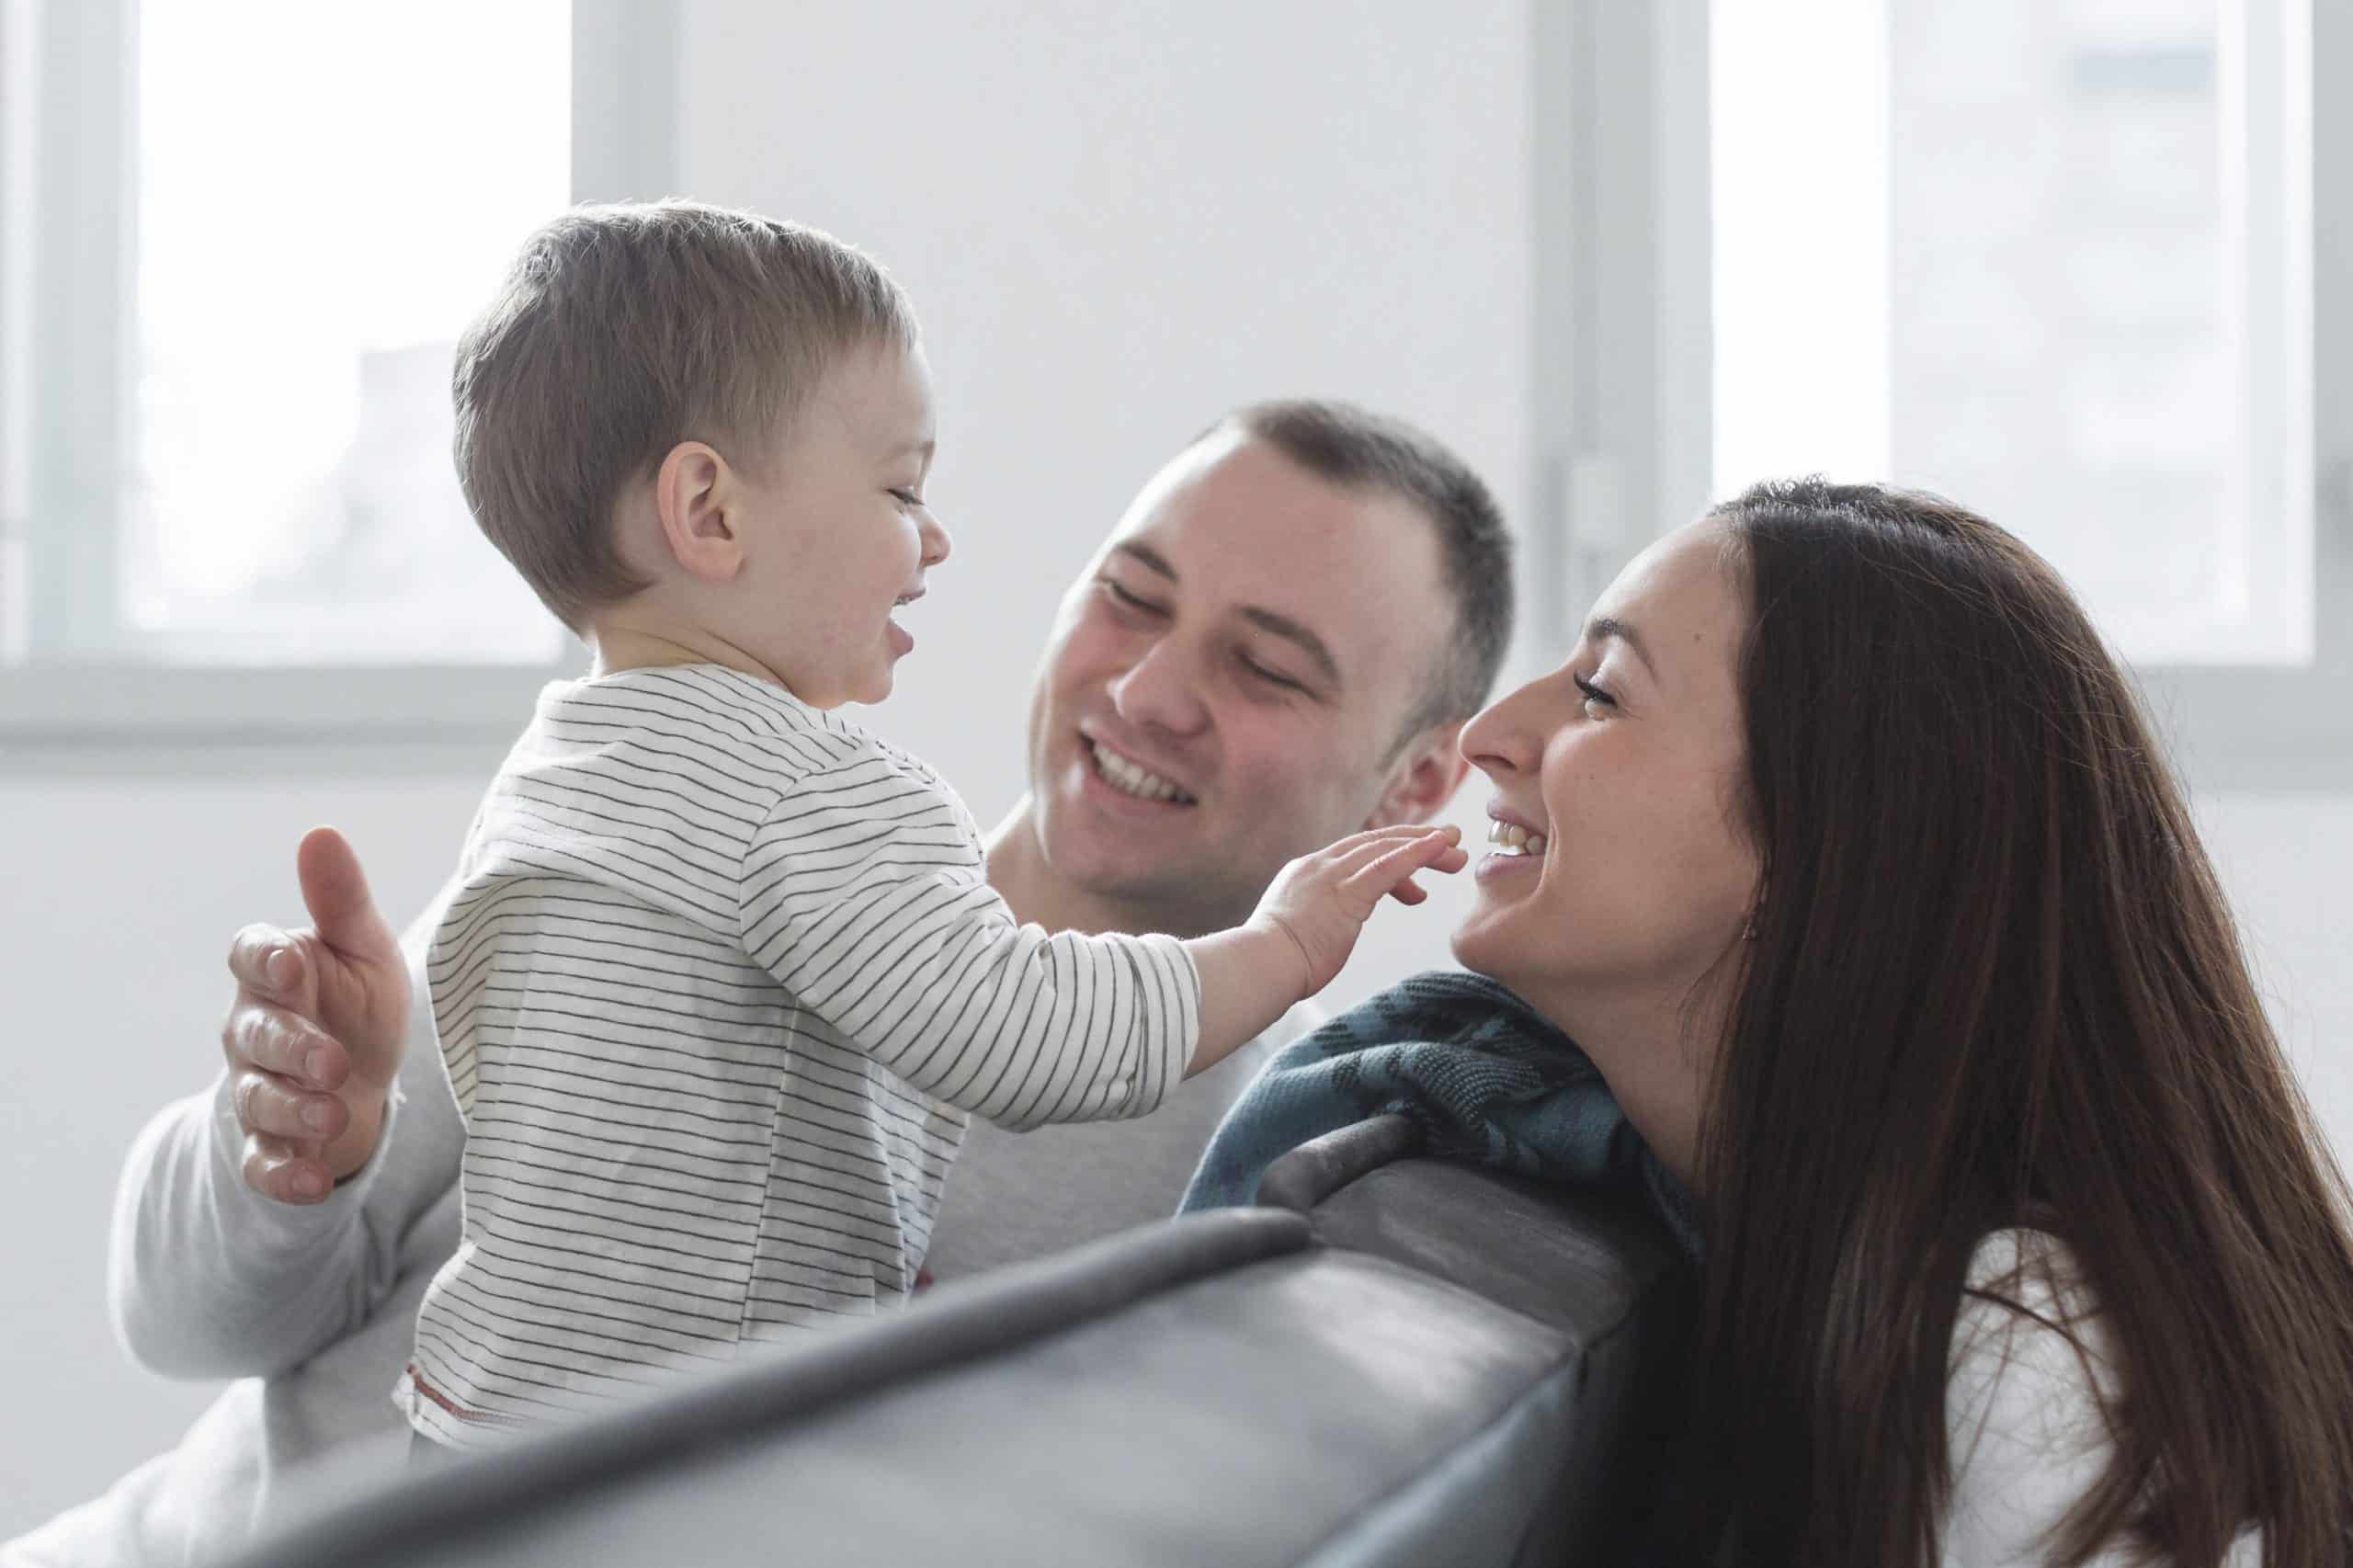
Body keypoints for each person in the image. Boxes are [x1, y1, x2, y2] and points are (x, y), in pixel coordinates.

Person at [9, 367, 1511, 1550]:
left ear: (1416, 786)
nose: (1148, 686)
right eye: (1132, 592)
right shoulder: (686, 829)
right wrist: (283, 1159)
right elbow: (183, 1325)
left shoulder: (1243, 1203)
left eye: (1264, 668)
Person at [388, 201, 1465, 1449]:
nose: (935, 538)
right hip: (690, 1467)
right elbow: (1016, 1031)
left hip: (473, 1434)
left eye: (1266, 666)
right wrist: (1281, 950)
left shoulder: (558, 771)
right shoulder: (814, 789)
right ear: (712, 512)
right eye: (902, 488)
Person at [1425, 478, 2349, 1564]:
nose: (1487, 734)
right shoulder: (1864, 1277)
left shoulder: (2034, 1370)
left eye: (1599, 691)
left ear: (1822, 847)